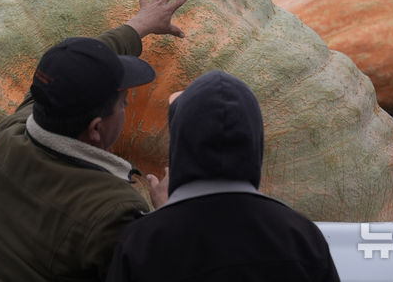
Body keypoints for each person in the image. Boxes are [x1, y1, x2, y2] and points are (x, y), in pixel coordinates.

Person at [0, 0, 188, 282]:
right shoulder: (114, 211)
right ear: (96, 129)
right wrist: (169, 217)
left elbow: (71, 68)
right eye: (122, 101)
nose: (128, 103)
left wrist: (138, 26)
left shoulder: (8, 138)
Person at [106, 70, 340, 282]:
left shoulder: (141, 243)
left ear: (180, 143)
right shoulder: (300, 237)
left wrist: (165, 215)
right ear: (255, 139)